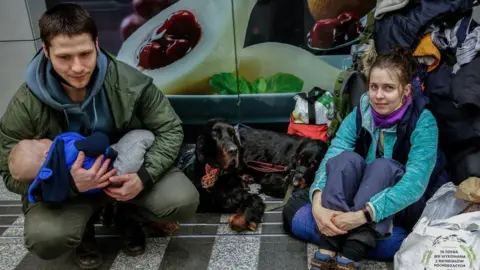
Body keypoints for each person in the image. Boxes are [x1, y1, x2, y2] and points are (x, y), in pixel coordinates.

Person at [0, 3, 199, 269]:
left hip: (125, 170)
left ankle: (126, 213)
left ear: (96, 43)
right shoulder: (25, 103)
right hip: (68, 191)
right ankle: (85, 231)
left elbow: (170, 129)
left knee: (181, 200)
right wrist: (67, 184)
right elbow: (8, 171)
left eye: (85, 53)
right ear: (46, 51)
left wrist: (143, 177)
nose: (78, 67)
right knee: (45, 239)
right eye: (65, 57)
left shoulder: (129, 81)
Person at [282, 47, 448, 270]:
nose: (378, 96)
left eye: (388, 88)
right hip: (359, 195)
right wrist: (319, 205)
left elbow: (414, 185)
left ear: (405, 91)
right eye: (374, 87)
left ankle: (349, 248)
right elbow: (334, 153)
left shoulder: (423, 122)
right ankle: (334, 242)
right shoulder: (362, 111)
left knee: (383, 168)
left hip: (399, 204)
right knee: (345, 161)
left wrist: (363, 216)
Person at [8, 130, 154, 204]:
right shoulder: (68, 149)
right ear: (46, 153)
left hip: (98, 189)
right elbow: (99, 143)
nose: (41, 138)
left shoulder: (47, 185)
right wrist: (98, 134)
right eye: (38, 140)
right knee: (139, 137)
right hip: (115, 169)